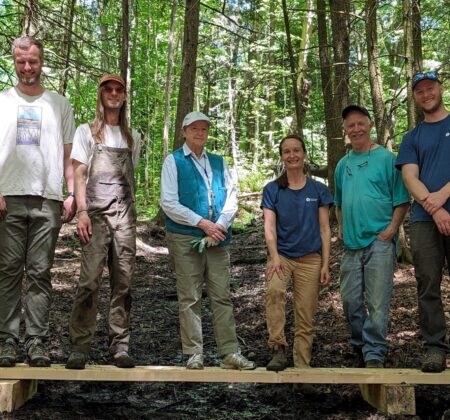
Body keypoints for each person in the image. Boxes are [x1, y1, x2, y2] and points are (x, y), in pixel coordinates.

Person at [0, 36, 76, 368]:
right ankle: (7, 340)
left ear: (42, 60)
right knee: (8, 271)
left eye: (32, 61)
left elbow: (70, 154)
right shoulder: (2, 101)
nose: (27, 67)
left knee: (40, 272)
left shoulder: (58, 104)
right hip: (8, 198)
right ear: (14, 61)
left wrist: (72, 193)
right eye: (21, 62)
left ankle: (36, 341)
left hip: (48, 199)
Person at [160, 111, 256, 370]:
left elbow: (232, 197)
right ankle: (194, 353)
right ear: (184, 131)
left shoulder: (218, 162)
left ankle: (229, 353)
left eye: (204, 129)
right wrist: (202, 224)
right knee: (189, 296)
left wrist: (220, 226)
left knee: (221, 295)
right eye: (195, 129)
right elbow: (168, 203)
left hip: (218, 239)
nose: (200, 133)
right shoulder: (173, 161)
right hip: (185, 237)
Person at [65, 74, 140, 370]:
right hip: (94, 216)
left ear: (123, 96)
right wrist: (82, 212)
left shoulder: (131, 136)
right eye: (108, 89)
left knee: (124, 282)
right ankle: (80, 346)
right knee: (89, 282)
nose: (113, 93)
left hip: (125, 217)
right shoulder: (87, 132)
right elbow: (80, 174)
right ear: (101, 94)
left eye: (118, 89)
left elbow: (129, 179)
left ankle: (120, 345)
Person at [334, 105, 410, 368]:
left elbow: (402, 200)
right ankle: (359, 344)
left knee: (377, 302)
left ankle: (375, 352)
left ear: (368, 125)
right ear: (345, 130)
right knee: (349, 301)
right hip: (351, 246)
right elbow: (339, 202)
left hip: (379, 242)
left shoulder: (387, 160)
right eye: (350, 125)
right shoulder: (343, 165)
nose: (355, 129)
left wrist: (390, 231)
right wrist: (341, 227)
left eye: (359, 123)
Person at [262, 135, 333, 377]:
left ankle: (303, 367)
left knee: (306, 312)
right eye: (286, 152)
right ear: (282, 157)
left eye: (296, 151)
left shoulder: (318, 190)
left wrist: (325, 264)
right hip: (281, 256)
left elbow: (325, 229)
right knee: (275, 290)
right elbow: (269, 227)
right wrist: (274, 257)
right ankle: (277, 348)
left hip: (311, 259)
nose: (292, 155)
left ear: (303, 154)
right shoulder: (273, 190)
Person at [396, 71, 450, 372]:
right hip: (423, 220)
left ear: (439, 89)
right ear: (415, 97)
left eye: (430, 88)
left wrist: (441, 197)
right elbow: (409, 177)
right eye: (420, 91)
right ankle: (434, 348)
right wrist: (436, 208)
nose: (426, 94)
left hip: (438, 208)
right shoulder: (412, 137)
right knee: (428, 283)